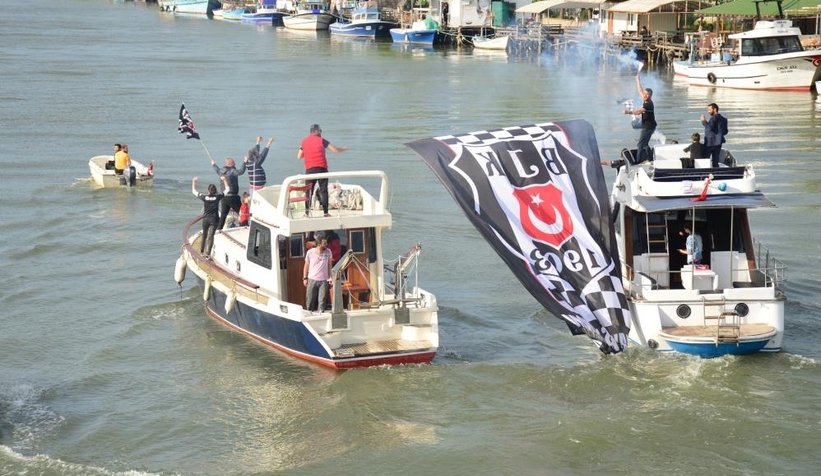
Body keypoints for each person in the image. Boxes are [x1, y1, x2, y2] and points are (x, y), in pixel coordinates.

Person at [297, 124, 347, 217]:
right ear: (317, 131)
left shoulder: (303, 141)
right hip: (321, 168)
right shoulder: (322, 140)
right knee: (323, 190)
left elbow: (299, 156)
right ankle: (325, 213)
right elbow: (335, 150)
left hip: (310, 169)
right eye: (320, 131)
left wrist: (307, 153)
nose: (321, 133)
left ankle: (306, 213)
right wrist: (344, 149)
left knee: (308, 191)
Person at [625, 68, 657, 163]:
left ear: (651, 95)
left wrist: (628, 112)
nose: (645, 95)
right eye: (645, 94)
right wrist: (637, 80)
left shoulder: (648, 104)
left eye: (647, 95)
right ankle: (651, 158)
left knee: (640, 144)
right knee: (645, 143)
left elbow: (638, 112)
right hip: (649, 125)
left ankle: (637, 161)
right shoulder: (645, 99)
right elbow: (640, 91)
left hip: (648, 127)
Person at [192, 175, 227, 258]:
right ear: (215, 191)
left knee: (204, 235)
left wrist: (194, 182)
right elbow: (227, 190)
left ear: (208, 190)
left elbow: (194, 191)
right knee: (211, 237)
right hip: (214, 219)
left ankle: (201, 252)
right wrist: (225, 180)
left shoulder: (205, 197)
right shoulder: (217, 197)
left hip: (205, 219)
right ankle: (207, 254)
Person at [211, 157, 246, 230]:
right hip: (233, 197)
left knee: (223, 215)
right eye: (233, 163)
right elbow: (240, 172)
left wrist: (214, 164)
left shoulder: (221, 171)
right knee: (241, 212)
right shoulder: (232, 171)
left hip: (224, 197)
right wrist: (244, 162)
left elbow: (217, 170)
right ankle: (245, 226)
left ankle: (219, 229)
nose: (235, 164)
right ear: (230, 164)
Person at [303, 234, 333, 312]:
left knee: (322, 302)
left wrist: (330, 278)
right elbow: (306, 266)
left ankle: (321, 315)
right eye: (324, 244)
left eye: (326, 243)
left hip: (324, 281)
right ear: (319, 244)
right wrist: (305, 278)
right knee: (310, 301)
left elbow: (329, 266)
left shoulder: (328, 252)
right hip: (312, 279)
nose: (326, 245)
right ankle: (309, 314)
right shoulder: (310, 252)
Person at [701, 103, 728, 168]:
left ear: (715, 109)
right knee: (715, 162)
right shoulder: (724, 119)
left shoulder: (713, 118)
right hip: (718, 143)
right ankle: (715, 174)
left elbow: (708, 128)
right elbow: (725, 132)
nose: (708, 111)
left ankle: (706, 175)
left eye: (709, 109)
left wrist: (703, 120)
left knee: (705, 161)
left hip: (709, 143)